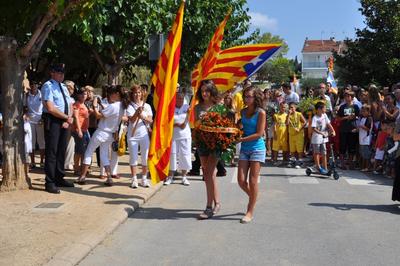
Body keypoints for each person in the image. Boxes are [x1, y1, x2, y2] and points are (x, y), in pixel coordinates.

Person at [77, 85, 127, 186]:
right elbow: (108, 112)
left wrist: (95, 106)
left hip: (101, 132)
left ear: (117, 94)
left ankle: (82, 176)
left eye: (111, 93)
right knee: (104, 155)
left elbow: (99, 115)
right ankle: (109, 177)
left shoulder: (114, 106)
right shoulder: (121, 106)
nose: (110, 95)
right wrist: (101, 104)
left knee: (88, 152)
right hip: (110, 134)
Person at [41, 63, 74, 193]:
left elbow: (70, 104)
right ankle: (49, 182)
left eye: (62, 73)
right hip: (53, 120)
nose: (61, 75)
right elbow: (50, 107)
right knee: (52, 152)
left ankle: (59, 177)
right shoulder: (48, 86)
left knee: (61, 151)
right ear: (52, 73)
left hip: (65, 119)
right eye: (58, 72)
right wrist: (66, 117)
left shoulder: (64, 87)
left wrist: (68, 118)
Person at [237, 86, 266, 224]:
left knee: (253, 181)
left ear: (255, 98)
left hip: (257, 148)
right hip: (244, 148)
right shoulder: (242, 111)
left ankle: (250, 211)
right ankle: (253, 197)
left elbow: (259, 134)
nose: (246, 99)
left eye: (249, 96)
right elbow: (241, 128)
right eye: (245, 96)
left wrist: (241, 139)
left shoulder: (261, 113)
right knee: (241, 181)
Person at [194, 80, 221, 219]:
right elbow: (195, 126)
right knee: (209, 173)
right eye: (202, 91)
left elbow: (224, 126)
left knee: (208, 173)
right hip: (202, 144)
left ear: (212, 92)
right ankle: (217, 202)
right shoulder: (197, 108)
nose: (204, 93)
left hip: (216, 145)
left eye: (207, 91)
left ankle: (208, 207)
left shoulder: (218, 107)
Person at [126, 85, 153, 188]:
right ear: (132, 95)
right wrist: (137, 112)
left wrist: (143, 116)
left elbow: (150, 120)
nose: (137, 95)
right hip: (132, 135)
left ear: (142, 93)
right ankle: (134, 179)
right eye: (135, 93)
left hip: (144, 135)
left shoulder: (147, 106)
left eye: (139, 92)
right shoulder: (130, 106)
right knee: (133, 158)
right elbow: (131, 120)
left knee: (145, 158)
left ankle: (144, 179)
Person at [164, 89, 191, 186]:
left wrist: (184, 121)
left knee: (185, 155)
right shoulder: (170, 108)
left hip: (185, 136)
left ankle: (184, 177)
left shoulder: (187, 107)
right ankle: (170, 176)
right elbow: (166, 122)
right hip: (173, 136)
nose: (180, 100)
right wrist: (177, 125)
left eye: (181, 98)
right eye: (178, 98)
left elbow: (188, 121)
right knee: (172, 155)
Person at [337, 91, 360, 169]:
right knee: (342, 147)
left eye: (348, 96)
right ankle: (342, 164)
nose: (346, 98)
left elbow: (359, 116)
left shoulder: (356, 107)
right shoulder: (342, 107)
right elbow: (338, 118)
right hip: (343, 130)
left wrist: (354, 117)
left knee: (352, 147)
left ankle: (350, 164)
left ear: (352, 97)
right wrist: (346, 117)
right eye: (345, 97)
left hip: (352, 130)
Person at [311, 102, 335, 174]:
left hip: (324, 138)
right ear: (319, 109)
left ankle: (325, 168)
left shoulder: (324, 115)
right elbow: (313, 128)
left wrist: (333, 131)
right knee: (317, 153)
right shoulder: (315, 118)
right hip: (316, 138)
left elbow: (328, 124)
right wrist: (321, 133)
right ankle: (318, 167)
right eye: (324, 108)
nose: (325, 109)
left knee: (324, 152)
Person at [25, 80, 45, 168]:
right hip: (30, 121)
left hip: (40, 120)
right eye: (32, 85)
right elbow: (24, 107)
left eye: (35, 84)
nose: (33, 86)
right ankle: (32, 162)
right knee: (31, 141)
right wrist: (26, 115)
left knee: (41, 141)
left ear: (37, 85)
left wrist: (43, 118)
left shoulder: (42, 95)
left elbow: (46, 107)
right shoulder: (26, 95)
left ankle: (41, 161)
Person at [71, 89, 90, 175]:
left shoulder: (85, 104)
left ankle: (82, 168)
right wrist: (79, 130)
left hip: (85, 130)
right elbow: (76, 117)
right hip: (79, 130)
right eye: (81, 94)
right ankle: (76, 169)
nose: (83, 95)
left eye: (85, 94)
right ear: (78, 95)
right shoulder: (76, 104)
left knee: (84, 150)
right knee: (79, 150)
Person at [286, 102, 306, 168]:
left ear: (295, 108)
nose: (291, 109)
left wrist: (299, 129)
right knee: (292, 149)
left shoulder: (299, 114)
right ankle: (293, 162)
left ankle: (300, 162)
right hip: (291, 134)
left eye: (292, 107)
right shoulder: (288, 115)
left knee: (299, 149)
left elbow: (305, 122)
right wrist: (288, 114)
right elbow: (287, 123)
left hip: (299, 134)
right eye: (290, 107)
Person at [64, 80, 76, 171]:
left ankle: (68, 162)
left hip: (70, 123)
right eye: (72, 88)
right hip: (65, 122)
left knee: (71, 143)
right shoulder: (67, 99)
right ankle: (67, 163)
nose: (73, 90)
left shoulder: (71, 99)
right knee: (67, 143)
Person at [357, 104, 373, 171]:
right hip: (361, 138)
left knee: (366, 154)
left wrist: (361, 126)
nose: (363, 112)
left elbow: (368, 128)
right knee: (362, 153)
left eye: (364, 111)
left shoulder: (369, 118)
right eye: (362, 111)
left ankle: (367, 167)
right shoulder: (363, 118)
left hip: (366, 139)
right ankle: (362, 166)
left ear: (368, 111)